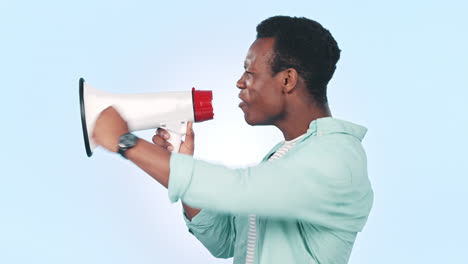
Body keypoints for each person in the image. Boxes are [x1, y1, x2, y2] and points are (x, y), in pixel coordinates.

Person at [92, 16, 373, 264]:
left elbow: (237, 188)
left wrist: (126, 143)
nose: (240, 82)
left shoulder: (337, 155)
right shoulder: (287, 156)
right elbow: (225, 240)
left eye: (250, 72)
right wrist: (179, 163)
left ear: (287, 80)